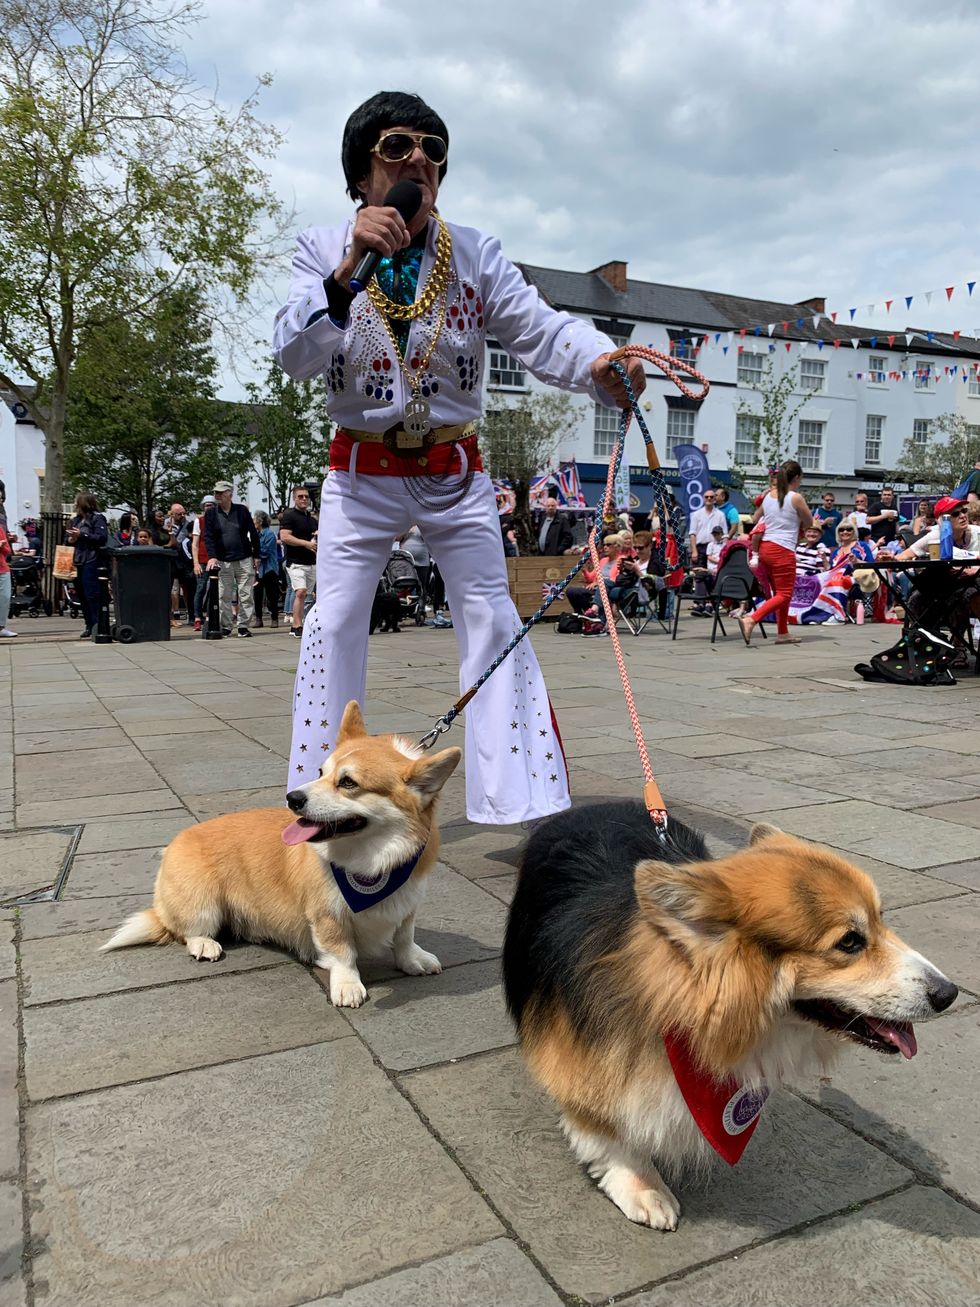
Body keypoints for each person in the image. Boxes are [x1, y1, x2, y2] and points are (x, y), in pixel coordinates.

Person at [272, 90, 644, 823]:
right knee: (333, 620)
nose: (419, 159)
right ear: (361, 173)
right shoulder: (320, 249)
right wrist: (349, 268)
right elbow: (292, 353)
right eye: (398, 146)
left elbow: (541, 329)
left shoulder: (474, 252)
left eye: (433, 150)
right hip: (360, 472)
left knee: (491, 615)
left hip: (455, 471)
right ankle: (320, 797)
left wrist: (601, 361)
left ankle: (519, 798)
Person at [888, 496, 980, 667]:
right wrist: (889, 557)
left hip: (972, 585)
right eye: (955, 514)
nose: (962, 516)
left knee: (965, 595)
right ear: (942, 520)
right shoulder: (936, 536)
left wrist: (975, 570)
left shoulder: (977, 533)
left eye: (964, 511)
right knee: (916, 598)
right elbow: (904, 555)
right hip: (943, 585)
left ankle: (958, 647)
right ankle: (918, 647)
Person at [738, 459, 811, 646]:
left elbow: (755, 518)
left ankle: (783, 633)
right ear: (796, 477)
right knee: (785, 594)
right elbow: (809, 522)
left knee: (779, 593)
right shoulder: (795, 497)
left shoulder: (769, 496)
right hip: (783, 549)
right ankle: (751, 619)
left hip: (765, 548)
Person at [203, 481, 260, 638]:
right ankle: (226, 626)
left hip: (244, 558)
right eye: (216, 493)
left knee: (246, 594)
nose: (217, 495)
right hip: (223, 560)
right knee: (223, 595)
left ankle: (243, 626)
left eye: (221, 492)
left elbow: (253, 533)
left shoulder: (241, 511)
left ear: (229, 494)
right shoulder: (211, 514)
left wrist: (257, 555)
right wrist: (212, 557)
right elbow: (208, 537)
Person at [66, 491, 109, 638]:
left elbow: (102, 538)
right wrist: (70, 539)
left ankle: (98, 624)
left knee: (92, 594)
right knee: (81, 594)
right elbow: (67, 540)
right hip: (77, 560)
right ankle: (89, 624)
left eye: (77, 502)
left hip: (92, 559)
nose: (75, 505)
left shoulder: (97, 518)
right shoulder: (75, 520)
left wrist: (82, 535)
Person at [278, 486, 318, 639]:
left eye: (306, 496)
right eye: (300, 496)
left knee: (307, 595)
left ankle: (301, 623)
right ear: (294, 498)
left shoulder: (312, 520)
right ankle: (296, 625)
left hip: (311, 562)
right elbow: (285, 537)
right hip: (295, 562)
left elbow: (315, 539)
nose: (304, 499)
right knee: (300, 592)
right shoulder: (289, 516)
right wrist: (306, 544)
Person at [252, 510, 281, 627]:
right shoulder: (256, 534)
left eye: (255, 519)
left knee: (272, 595)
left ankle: (274, 619)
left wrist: (253, 551)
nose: (253, 522)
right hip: (259, 569)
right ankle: (258, 619)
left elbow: (265, 552)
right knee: (257, 595)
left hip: (270, 569)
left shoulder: (269, 534)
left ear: (260, 521)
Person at [191, 495, 215, 630]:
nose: (209, 507)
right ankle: (197, 617)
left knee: (216, 589)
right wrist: (196, 563)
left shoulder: (219, 520)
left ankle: (211, 615)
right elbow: (194, 544)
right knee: (201, 588)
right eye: (207, 505)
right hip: (202, 559)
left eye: (211, 505)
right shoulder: (198, 522)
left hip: (216, 558)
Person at [686, 489, 726, 570]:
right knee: (699, 572)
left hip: (715, 548)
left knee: (714, 572)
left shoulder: (720, 515)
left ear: (715, 499)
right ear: (703, 499)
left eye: (711, 497)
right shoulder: (696, 514)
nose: (709, 498)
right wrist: (694, 551)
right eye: (706, 497)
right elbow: (692, 534)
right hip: (700, 548)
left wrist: (724, 551)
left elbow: (725, 534)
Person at [0, 521, 16, 638]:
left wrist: (4, 545)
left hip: (2, 568)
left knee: (5, 597)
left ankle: (1, 627)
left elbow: (7, 550)